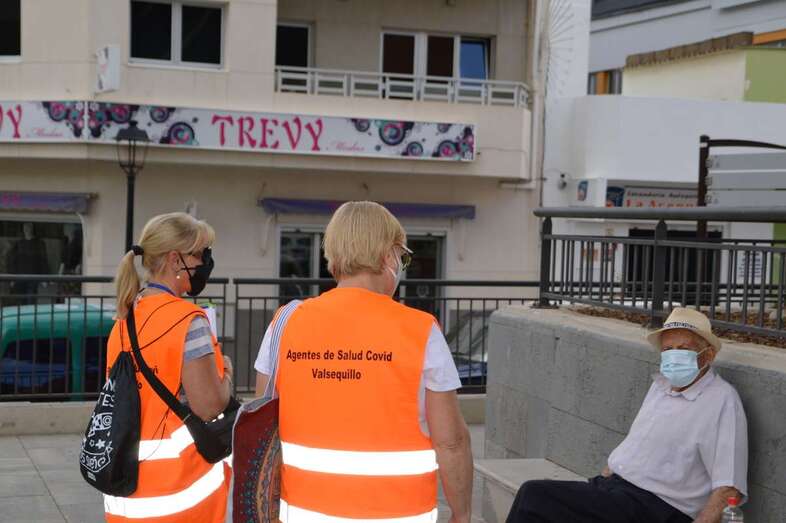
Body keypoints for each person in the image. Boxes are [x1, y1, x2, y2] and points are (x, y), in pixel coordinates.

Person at [254, 201, 473, 523]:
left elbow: (262, 424)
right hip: (397, 513)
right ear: (387, 256)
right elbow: (451, 441)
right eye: (403, 256)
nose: (402, 265)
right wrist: (462, 513)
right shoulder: (420, 330)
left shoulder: (285, 323)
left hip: (303, 513)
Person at [506, 307, 748, 523]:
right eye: (667, 349)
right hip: (614, 491)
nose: (674, 356)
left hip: (655, 507)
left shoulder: (721, 400)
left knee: (535, 496)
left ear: (707, 355)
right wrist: (606, 476)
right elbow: (638, 445)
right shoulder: (661, 387)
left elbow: (729, 488)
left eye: (683, 349)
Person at [103, 212, 233, 523]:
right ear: (176, 260)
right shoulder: (188, 321)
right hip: (179, 493)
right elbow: (209, 405)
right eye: (200, 254)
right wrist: (226, 373)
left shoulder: (124, 321)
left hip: (126, 490)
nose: (204, 264)